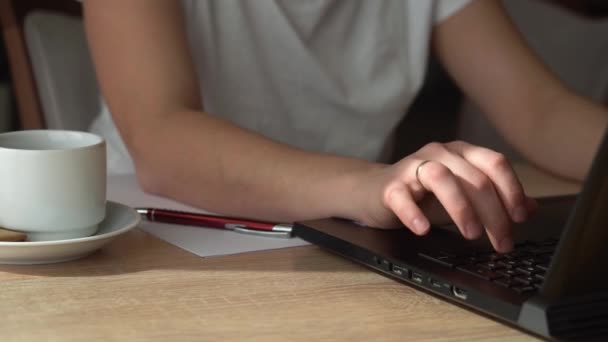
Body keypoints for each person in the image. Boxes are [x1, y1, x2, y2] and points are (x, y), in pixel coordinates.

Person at [82, 0, 607, 253]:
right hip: (155, 239)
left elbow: (541, 111)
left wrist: (371, 192)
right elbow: (162, 137)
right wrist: (371, 185)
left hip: (341, 241)